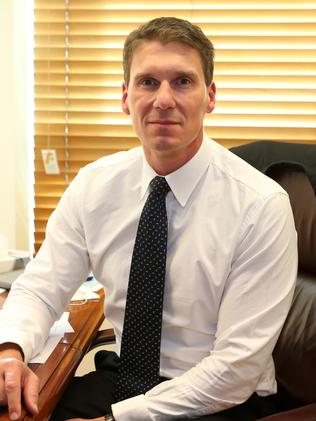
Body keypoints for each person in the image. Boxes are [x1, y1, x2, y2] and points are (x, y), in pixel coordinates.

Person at [0, 17, 297, 421]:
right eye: (147, 82)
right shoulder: (94, 185)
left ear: (209, 96)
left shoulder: (261, 206)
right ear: (125, 97)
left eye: (182, 82)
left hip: (218, 400)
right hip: (124, 378)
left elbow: (236, 369)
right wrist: (11, 350)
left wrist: (115, 420)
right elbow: (41, 287)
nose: (163, 99)